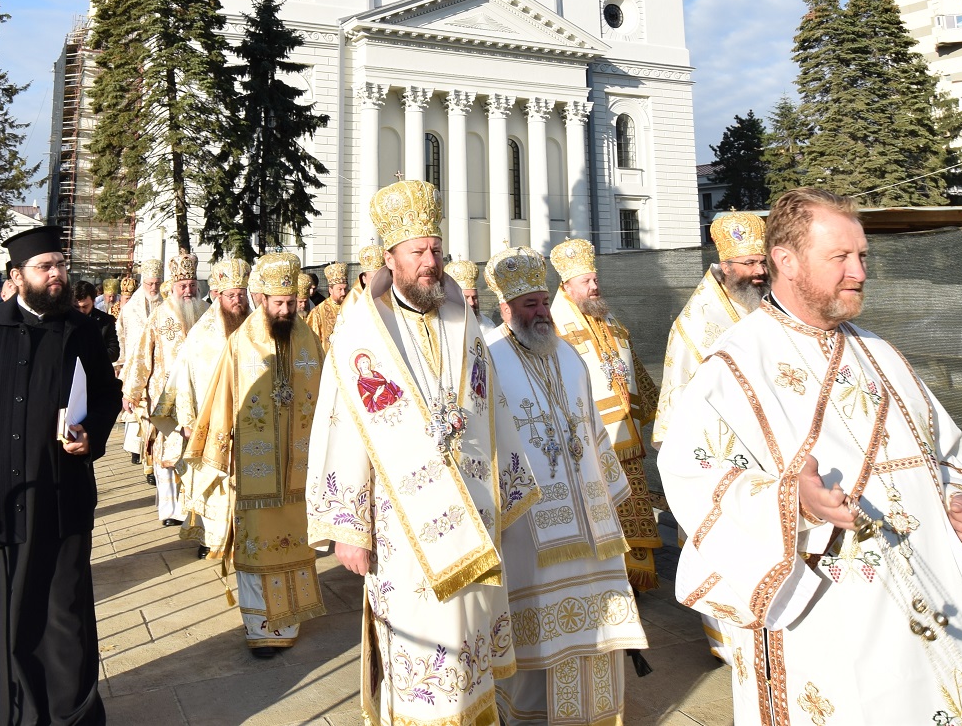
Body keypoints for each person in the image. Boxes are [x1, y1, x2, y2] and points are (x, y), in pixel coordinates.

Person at [659, 188, 962, 726]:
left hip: (937, 596)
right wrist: (793, 502)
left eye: (862, 256)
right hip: (831, 613)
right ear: (785, 261)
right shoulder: (733, 365)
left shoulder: (880, 352)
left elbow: (945, 453)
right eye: (840, 257)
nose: (858, 271)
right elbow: (694, 476)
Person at [305, 181, 533, 726]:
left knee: (470, 639)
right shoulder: (361, 331)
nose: (431, 262)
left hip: (475, 513)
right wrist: (348, 529)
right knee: (422, 653)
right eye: (418, 252)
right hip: (401, 527)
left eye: (436, 249)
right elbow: (343, 429)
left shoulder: (462, 321)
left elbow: (492, 405)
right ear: (391, 257)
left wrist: (510, 490)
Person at [0, 224, 122, 726]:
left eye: (61, 265)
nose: (57, 274)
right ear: (17, 276)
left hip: (60, 500)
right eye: (46, 267)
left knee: (61, 617)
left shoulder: (81, 332)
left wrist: (91, 434)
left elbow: (107, 395)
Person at [483, 246, 647, 725]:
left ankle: (596, 715)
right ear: (506, 308)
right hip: (529, 524)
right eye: (528, 305)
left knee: (598, 626)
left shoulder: (569, 353)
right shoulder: (489, 358)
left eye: (543, 301)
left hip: (591, 522)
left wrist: (609, 494)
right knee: (535, 630)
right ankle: (528, 715)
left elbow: (592, 427)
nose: (540, 312)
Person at [185, 252, 325, 657]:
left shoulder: (307, 338)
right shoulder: (240, 343)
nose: (286, 310)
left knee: (297, 542)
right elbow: (223, 400)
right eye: (278, 302)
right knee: (257, 543)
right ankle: (261, 627)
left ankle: (290, 619)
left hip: (301, 469)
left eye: (291, 302)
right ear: (261, 298)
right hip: (253, 470)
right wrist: (220, 452)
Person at [546, 237, 663, 593]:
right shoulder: (554, 327)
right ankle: (606, 580)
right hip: (591, 441)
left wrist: (656, 410)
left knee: (631, 504)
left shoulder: (606, 317)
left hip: (626, 435)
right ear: (567, 286)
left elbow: (631, 365)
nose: (595, 286)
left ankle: (635, 577)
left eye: (595, 279)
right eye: (587, 281)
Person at [160, 257, 248, 540]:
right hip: (210, 421)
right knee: (213, 481)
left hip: (249, 420)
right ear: (217, 296)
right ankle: (214, 537)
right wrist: (187, 421)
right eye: (231, 295)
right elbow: (183, 378)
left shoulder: (254, 329)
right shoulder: (201, 334)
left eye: (241, 295)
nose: (237, 301)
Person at [123, 253, 207, 523]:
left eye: (192, 285)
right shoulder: (159, 316)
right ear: (172, 286)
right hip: (165, 399)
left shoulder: (206, 314)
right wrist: (131, 391)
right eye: (183, 285)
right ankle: (171, 510)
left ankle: (193, 507)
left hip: (199, 396)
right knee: (167, 453)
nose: (188, 290)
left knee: (195, 453)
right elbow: (141, 356)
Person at [114, 261, 158, 461]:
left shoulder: (166, 304)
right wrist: (121, 362)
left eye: (157, 283)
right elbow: (122, 335)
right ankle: (134, 449)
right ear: (143, 283)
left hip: (158, 367)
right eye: (150, 284)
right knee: (135, 409)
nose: (154, 288)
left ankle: (151, 455)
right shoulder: (131, 308)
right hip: (135, 365)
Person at [73, 281, 120, 364]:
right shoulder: (64, 319)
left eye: (85, 307)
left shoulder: (106, 321)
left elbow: (114, 352)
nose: (81, 311)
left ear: (93, 301)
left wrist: (89, 355)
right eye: (76, 307)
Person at [306, 261, 349, 348]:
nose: (343, 293)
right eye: (339, 289)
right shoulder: (317, 313)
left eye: (345, 289)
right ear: (330, 290)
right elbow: (312, 344)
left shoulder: (353, 309)